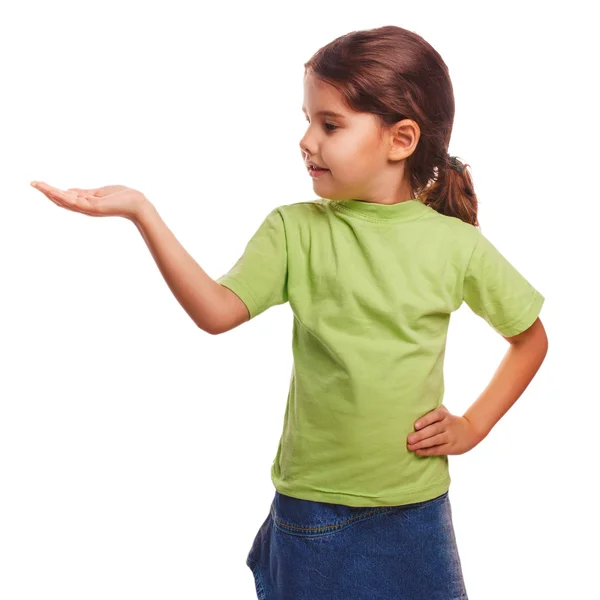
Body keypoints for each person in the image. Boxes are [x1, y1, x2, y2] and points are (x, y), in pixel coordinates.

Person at [30, 24, 548, 600]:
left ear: (400, 139)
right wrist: (142, 212)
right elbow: (217, 311)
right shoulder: (293, 230)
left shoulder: (456, 246)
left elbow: (530, 338)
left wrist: (474, 425)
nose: (306, 139)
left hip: (417, 510)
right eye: (307, 119)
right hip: (313, 508)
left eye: (330, 124)